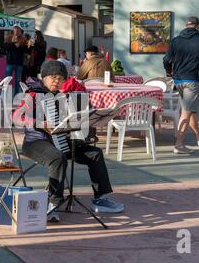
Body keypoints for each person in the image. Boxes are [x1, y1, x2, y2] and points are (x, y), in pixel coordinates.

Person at [13, 60, 124, 222]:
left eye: (60, 78)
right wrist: (40, 123)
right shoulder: (33, 94)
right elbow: (16, 117)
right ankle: (53, 203)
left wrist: (89, 120)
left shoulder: (65, 96)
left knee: (95, 154)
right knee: (58, 158)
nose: (57, 81)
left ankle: (100, 198)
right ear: (44, 78)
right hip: (35, 143)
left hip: (62, 142)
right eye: (53, 77)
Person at [163, 16, 199, 154]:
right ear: (198, 26)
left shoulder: (175, 41)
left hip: (178, 80)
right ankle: (179, 145)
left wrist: (169, 72)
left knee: (190, 110)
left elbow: (166, 60)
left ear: (186, 26)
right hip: (193, 80)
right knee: (186, 112)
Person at [3, 25, 28, 95]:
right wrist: (12, 42)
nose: (16, 31)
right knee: (7, 79)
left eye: (18, 30)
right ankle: (5, 94)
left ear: (20, 31)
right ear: (13, 30)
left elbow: (26, 51)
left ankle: (16, 95)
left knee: (17, 80)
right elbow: (5, 48)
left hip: (19, 63)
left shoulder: (23, 39)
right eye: (15, 29)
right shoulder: (9, 37)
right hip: (10, 62)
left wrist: (20, 46)